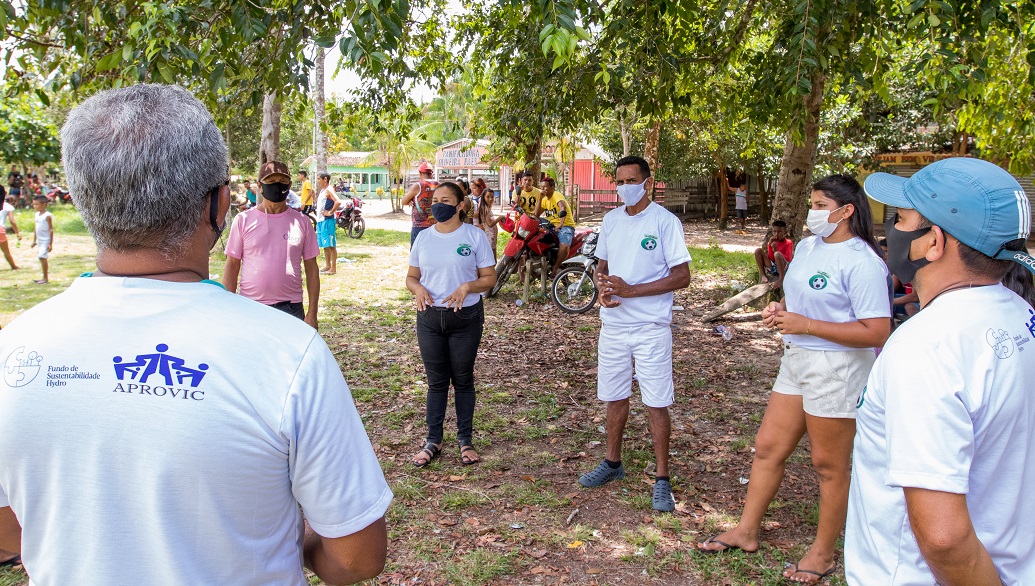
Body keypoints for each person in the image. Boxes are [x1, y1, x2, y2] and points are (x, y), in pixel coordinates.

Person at [0, 84, 390, 585]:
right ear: (219, 205)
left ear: (83, 197)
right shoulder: (289, 356)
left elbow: (10, 532)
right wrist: (295, 542)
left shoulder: (15, 350)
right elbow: (357, 558)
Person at [844, 158, 1035, 585]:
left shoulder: (926, 347)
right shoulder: (1020, 313)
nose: (890, 231)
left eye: (900, 219)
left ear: (933, 242)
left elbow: (943, 537)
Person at [698, 174, 891, 585]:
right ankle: (747, 530)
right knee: (768, 446)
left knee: (828, 465)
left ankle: (822, 554)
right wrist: (781, 310)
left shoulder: (863, 261)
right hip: (797, 359)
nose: (813, 212)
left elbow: (877, 331)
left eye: (821, 205)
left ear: (846, 211)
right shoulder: (806, 247)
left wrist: (806, 323)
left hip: (838, 369)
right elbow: (797, 296)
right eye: (814, 203)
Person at [578, 156, 691, 513]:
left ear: (648, 182)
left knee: (656, 401)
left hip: (651, 328)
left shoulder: (665, 222)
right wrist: (604, 289)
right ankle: (613, 463)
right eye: (619, 181)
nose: (624, 186)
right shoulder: (611, 220)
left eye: (631, 180)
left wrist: (632, 291)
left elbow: (682, 276)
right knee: (614, 396)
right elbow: (604, 265)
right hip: (614, 326)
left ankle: (662, 479)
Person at [406, 181, 496, 468]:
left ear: (459, 205)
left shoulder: (475, 236)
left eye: (445, 199)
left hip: (465, 318)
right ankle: (433, 440)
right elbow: (411, 277)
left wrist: (468, 287)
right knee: (436, 383)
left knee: (463, 379)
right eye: (434, 199)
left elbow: (489, 278)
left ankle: (465, 440)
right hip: (430, 318)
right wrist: (418, 289)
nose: (437, 204)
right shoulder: (423, 237)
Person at [223, 160, 320, 328]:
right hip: (251, 306)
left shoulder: (302, 222)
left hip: (291, 308)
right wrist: (227, 310)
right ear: (260, 186)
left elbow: (312, 268)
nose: (277, 186)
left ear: (289, 185)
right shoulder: (243, 221)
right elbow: (232, 265)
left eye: (282, 182)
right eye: (271, 182)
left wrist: (312, 313)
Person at [534, 176, 577, 278]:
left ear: (552, 188)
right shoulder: (544, 199)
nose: (543, 189)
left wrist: (561, 223)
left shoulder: (556, 195)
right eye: (542, 187)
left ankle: (555, 268)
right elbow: (536, 215)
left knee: (564, 246)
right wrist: (540, 198)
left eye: (545, 187)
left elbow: (562, 207)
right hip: (551, 226)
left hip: (565, 226)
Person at [402, 161, 437, 245]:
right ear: (431, 173)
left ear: (420, 173)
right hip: (436, 225)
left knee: (416, 253)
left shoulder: (418, 185)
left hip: (419, 225)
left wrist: (411, 200)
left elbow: (403, 201)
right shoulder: (438, 185)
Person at [753, 220, 793, 288]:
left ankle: (781, 279)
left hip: (784, 267)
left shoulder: (789, 243)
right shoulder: (772, 242)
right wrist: (770, 245)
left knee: (777, 254)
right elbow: (771, 258)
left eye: (780, 231)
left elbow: (788, 259)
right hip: (773, 267)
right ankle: (763, 274)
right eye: (774, 231)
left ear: (785, 233)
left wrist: (776, 250)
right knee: (758, 251)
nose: (776, 234)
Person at [315, 172, 341, 274]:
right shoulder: (323, 190)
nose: (318, 181)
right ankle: (327, 265)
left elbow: (337, 201)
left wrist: (330, 212)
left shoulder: (329, 189)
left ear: (325, 179)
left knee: (331, 245)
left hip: (327, 221)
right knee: (325, 245)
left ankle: (333, 268)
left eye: (319, 179)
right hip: (320, 221)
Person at [473, 186, 502, 263]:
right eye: (488, 197)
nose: (490, 199)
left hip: (491, 234)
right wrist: (500, 218)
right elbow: (490, 224)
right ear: (483, 197)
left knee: (492, 254)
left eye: (492, 197)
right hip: (489, 235)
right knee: (491, 257)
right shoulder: (485, 208)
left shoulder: (486, 207)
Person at [30, 195, 53, 284]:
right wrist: (34, 241)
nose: (34, 206)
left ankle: (45, 278)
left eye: (36, 204)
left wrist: (50, 243)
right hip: (39, 240)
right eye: (33, 204)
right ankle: (43, 277)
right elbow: (36, 228)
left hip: (46, 240)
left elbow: (51, 230)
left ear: (44, 205)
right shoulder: (36, 215)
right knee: (41, 257)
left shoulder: (47, 216)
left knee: (42, 257)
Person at [0, 193, 21, 270]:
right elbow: (12, 221)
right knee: (6, 251)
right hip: (0, 229)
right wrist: (17, 232)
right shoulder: (8, 207)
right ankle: (13, 266)